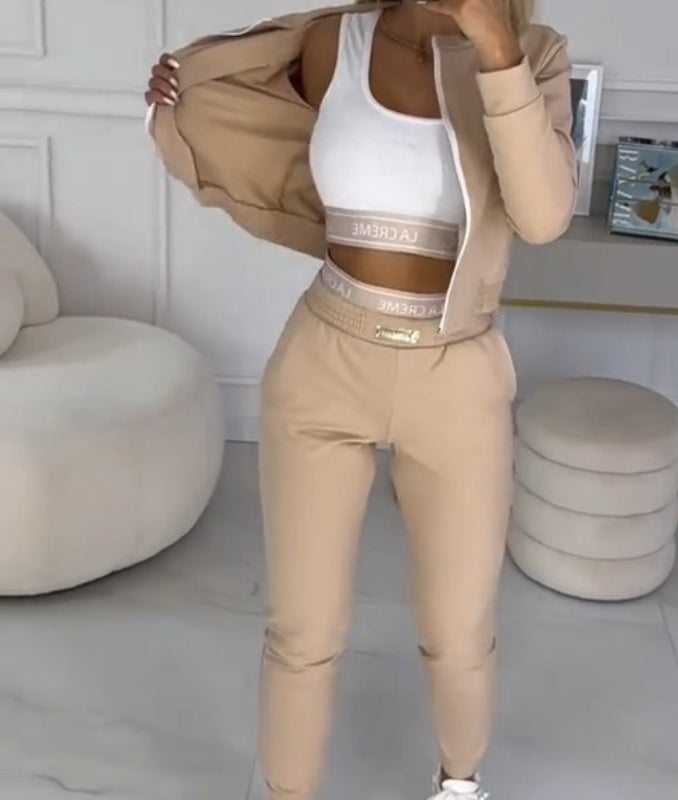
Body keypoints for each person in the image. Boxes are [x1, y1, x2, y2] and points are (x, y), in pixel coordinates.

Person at [145, 1, 575, 798]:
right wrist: (186, 90)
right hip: (325, 358)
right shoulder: (330, 41)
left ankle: (459, 783)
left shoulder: (531, 54)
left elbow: (543, 216)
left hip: (457, 373)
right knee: (302, 628)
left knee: (458, 630)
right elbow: (238, 114)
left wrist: (493, 44)